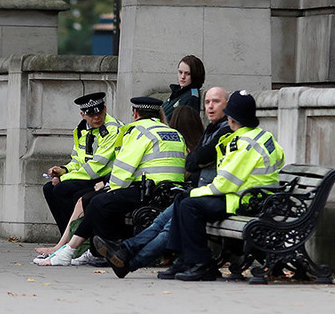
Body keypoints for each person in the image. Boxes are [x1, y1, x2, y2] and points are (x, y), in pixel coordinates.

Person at [92, 87, 232, 278]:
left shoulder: (226, 131)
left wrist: (197, 162)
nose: (210, 106)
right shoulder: (213, 129)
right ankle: (127, 250)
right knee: (161, 221)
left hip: (217, 196)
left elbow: (199, 161)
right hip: (200, 192)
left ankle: (129, 262)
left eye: (215, 102)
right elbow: (191, 162)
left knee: (171, 221)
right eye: (207, 102)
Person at [38, 96, 186, 266]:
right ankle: (75, 249)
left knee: (97, 201)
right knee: (90, 198)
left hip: (148, 190)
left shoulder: (137, 130)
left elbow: (123, 168)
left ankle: (81, 251)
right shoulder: (174, 133)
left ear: (136, 113)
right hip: (171, 191)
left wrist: (110, 187)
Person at [160, 90, 285, 281]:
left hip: (244, 200)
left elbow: (223, 185)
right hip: (251, 196)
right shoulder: (263, 136)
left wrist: (197, 192)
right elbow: (281, 158)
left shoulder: (244, 144)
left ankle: (202, 264)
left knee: (189, 204)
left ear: (232, 118)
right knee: (182, 198)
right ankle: (184, 259)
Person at [42, 92, 123, 235]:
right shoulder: (82, 130)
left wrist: (63, 178)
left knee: (63, 189)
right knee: (49, 189)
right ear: (83, 115)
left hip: (105, 177)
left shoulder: (111, 129)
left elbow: (96, 167)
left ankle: (76, 240)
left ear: (104, 109)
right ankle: (67, 238)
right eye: (91, 115)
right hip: (88, 176)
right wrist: (64, 170)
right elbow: (78, 160)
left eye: (99, 112)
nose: (96, 117)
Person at [162, 55, 205, 121]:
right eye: (180, 72)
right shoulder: (178, 92)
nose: (182, 77)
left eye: (187, 74)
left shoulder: (191, 97)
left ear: (195, 75)